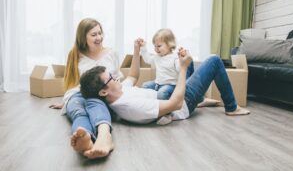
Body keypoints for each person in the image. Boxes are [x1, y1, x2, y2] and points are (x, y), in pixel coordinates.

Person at [79, 38, 250, 126]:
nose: (116, 77)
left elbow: (132, 76)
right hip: (183, 102)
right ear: (103, 92)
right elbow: (175, 104)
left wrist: (136, 50)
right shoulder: (129, 106)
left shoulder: (117, 93)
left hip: (171, 93)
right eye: (111, 77)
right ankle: (232, 107)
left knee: (179, 56)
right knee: (214, 60)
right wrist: (183, 69)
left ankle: (201, 100)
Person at [49, 18, 122, 159]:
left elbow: (117, 77)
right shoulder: (75, 54)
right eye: (93, 34)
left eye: (100, 33)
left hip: (99, 95)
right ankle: (84, 137)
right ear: (83, 37)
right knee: (78, 111)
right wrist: (65, 102)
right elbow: (72, 82)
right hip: (78, 93)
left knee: (96, 104)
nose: (99, 37)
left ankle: (104, 136)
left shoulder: (112, 53)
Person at [140, 28, 194, 100]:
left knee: (161, 94)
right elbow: (147, 59)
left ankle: (170, 99)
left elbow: (179, 69)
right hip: (157, 84)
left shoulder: (174, 57)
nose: (156, 49)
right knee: (144, 86)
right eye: (155, 46)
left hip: (170, 85)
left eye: (159, 46)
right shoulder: (157, 57)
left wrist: (181, 59)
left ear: (169, 45)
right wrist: (143, 47)